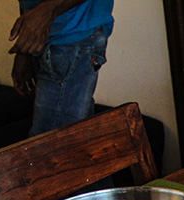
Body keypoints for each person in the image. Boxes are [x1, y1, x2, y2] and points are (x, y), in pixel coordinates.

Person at [9, 0, 114, 136]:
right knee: (74, 141)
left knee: (50, 146)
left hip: (73, 36)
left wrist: (47, 11)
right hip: (44, 36)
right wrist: (25, 46)